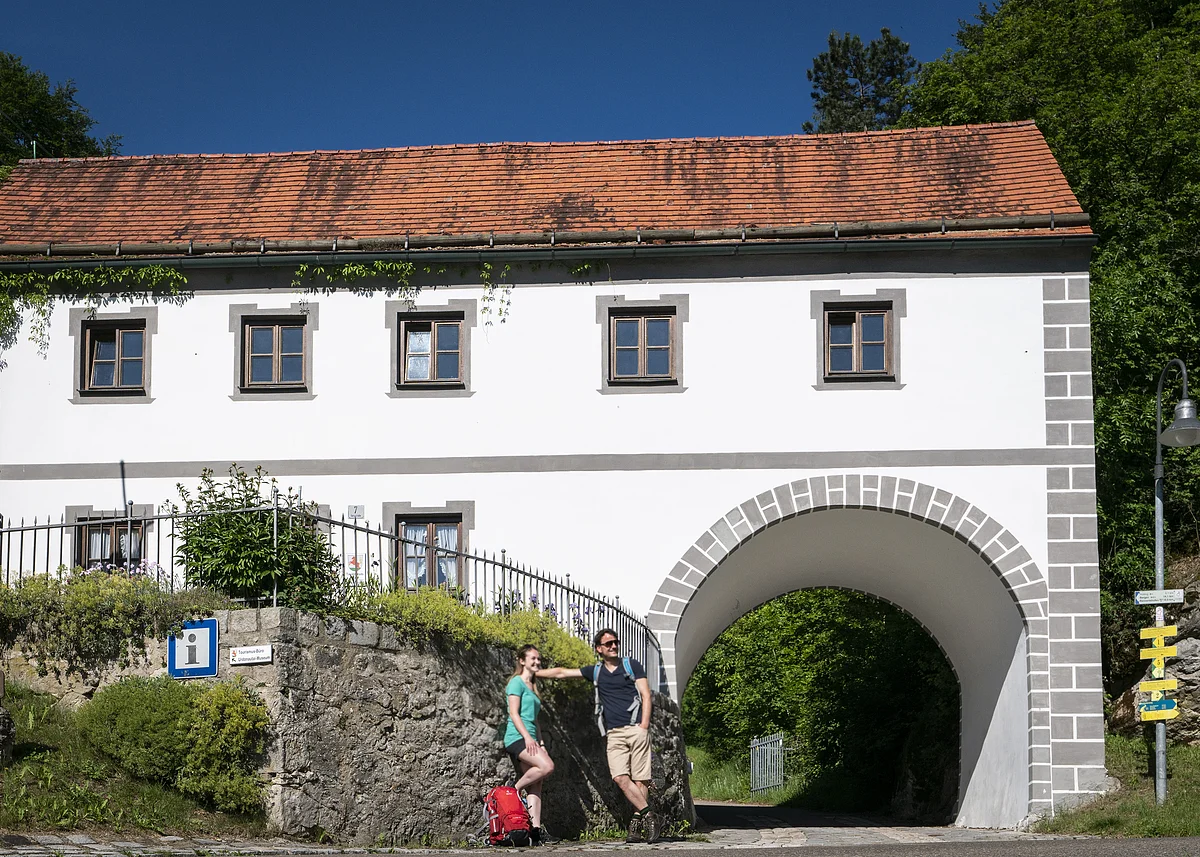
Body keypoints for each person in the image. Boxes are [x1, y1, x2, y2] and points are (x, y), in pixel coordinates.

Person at [537, 628, 660, 843]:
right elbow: (563, 673)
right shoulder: (596, 672)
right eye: (609, 643)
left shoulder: (631, 665)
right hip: (614, 733)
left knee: (641, 780)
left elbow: (646, 695)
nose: (614, 646)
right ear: (599, 649)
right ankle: (650, 815)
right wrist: (533, 673)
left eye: (616, 642)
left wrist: (644, 725)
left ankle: (636, 825)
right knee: (621, 778)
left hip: (636, 728)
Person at [504, 644, 555, 845]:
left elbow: (535, 720)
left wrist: (540, 743)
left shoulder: (533, 686)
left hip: (532, 738)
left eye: (538, 659)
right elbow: (514, 713)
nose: (537, 662)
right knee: (547, 766)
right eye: (533, 658)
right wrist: (527, 737)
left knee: (536, 784)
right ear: (522, 661)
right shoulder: (516, 683)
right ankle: (513, 790)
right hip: (517, 737)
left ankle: (534, 831)